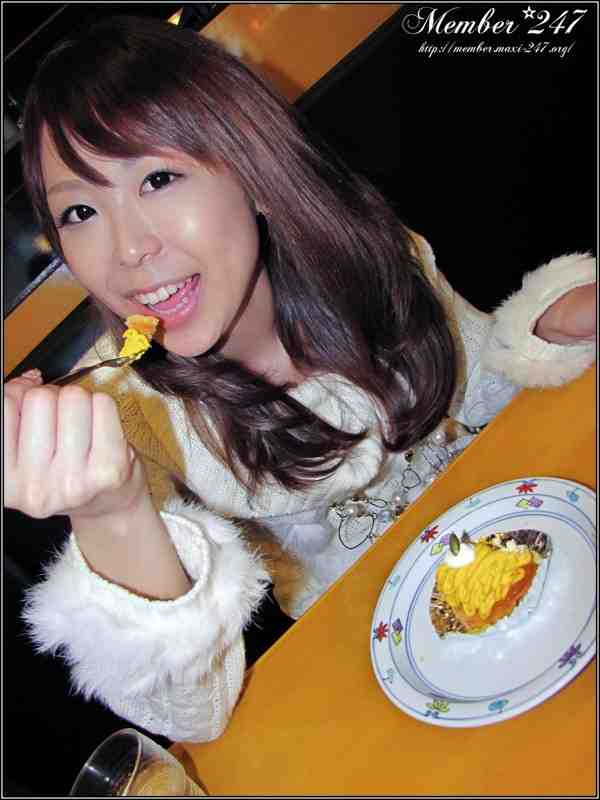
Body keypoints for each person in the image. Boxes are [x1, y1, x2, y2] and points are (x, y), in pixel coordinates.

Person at [5, 15, 596, 743]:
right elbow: (192, 715)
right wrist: (111, 513)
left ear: (253, 171)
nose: (126, 250)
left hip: (530, 546)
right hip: (385, 671)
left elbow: (472, 388)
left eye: (157, 178)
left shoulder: (364, 251)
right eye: (80, 211)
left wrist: (549, 327)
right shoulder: (120, 412)